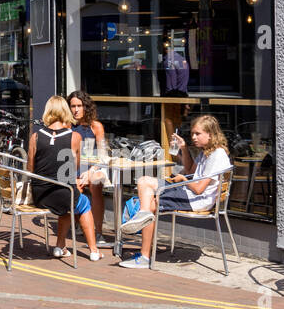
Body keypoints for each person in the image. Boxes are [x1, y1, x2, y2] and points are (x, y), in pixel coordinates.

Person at [118, 114, 232, 269]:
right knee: (143, 181)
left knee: (151, 204)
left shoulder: (217, 155)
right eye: (192, 133)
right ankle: (143, 215)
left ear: (210, 135)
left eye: (197, 134)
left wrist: (182, 180)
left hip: (196, 200)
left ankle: (144, 254)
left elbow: (198, 189)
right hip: (188, 191)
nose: (194, 137)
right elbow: (191, 170)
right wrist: (184, 148)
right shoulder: (206, 151)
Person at [28, 96, 100, 261]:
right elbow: (74, 168)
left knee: (68, 201)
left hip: (40, 196)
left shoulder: (36, 137)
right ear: (65, 112)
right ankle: (94, 250)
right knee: (82, 202)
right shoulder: (75, 137)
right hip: (63, 193)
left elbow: (30, 169)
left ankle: (60, 247)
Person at [68, 90, 108, 242]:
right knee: (75, 187)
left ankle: (98, 232)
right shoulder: (68, 126)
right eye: (73, 106)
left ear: (86, 107)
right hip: (73, 169)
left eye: (79, 105)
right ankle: (80, 224)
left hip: (94, 167)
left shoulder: (95, 126)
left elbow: (103, 155)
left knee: (96, 183)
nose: (76, 110)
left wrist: (91, 171)